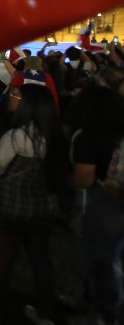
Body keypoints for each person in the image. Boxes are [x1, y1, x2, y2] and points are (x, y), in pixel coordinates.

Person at [0, 84, 61, 325]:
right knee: (40, 259)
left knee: (3, 257)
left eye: (15, 96)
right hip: (44, 204)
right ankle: (46, 313)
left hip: (13, 204)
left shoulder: (16, 136)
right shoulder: (55, 135)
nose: (10, 99)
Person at [69, 86, 124, 325]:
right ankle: (94, 303)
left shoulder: (87, 136)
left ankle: (104, 315)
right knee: (112, 261)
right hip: (116, 203)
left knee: (102, 263)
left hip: (98, 205)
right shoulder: (118, 133)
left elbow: (84, 178)